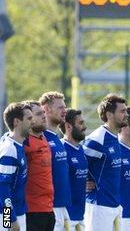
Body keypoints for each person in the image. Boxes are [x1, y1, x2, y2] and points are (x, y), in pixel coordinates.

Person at [83, 94, 128, 230]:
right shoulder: (96, 140)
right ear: (109, 115)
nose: (126, 114)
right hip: (99, 207)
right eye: (122, 111)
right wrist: (82, 182)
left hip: (115, 205)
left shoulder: (115, 137)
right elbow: (76, 162)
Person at [39, 91, 71, 230]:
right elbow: (5, 190)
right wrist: (8, 220)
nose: (65, 111)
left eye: (65, 107)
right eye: (60, 108)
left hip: (60, 207)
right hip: (42, 210)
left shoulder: (55, 138)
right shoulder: (36, 140)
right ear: (46, 109)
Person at [22, 100, 54, 231]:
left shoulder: (43, 138)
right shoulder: (15, 146)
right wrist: (8, 218)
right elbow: (4, 190)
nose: (44, 116)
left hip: (47, 209)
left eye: (44, 112)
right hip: (27, 212)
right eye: (39, 113)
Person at [0, 102, 32, 231]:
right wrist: (11, 220)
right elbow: (2, 189)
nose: (33, 122)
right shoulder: (9, 150)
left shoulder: (16, 144)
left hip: (18, 214)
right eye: (29, 118)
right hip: (7, 217)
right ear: (16, 122)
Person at [60, 109, 88, 230]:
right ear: (68, 126)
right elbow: (4, 191)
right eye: (80, 123)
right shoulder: (60, 150)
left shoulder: (81, 149)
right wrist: (10, 219)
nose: (85, 127)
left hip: (79, 216)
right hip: (65, 217)